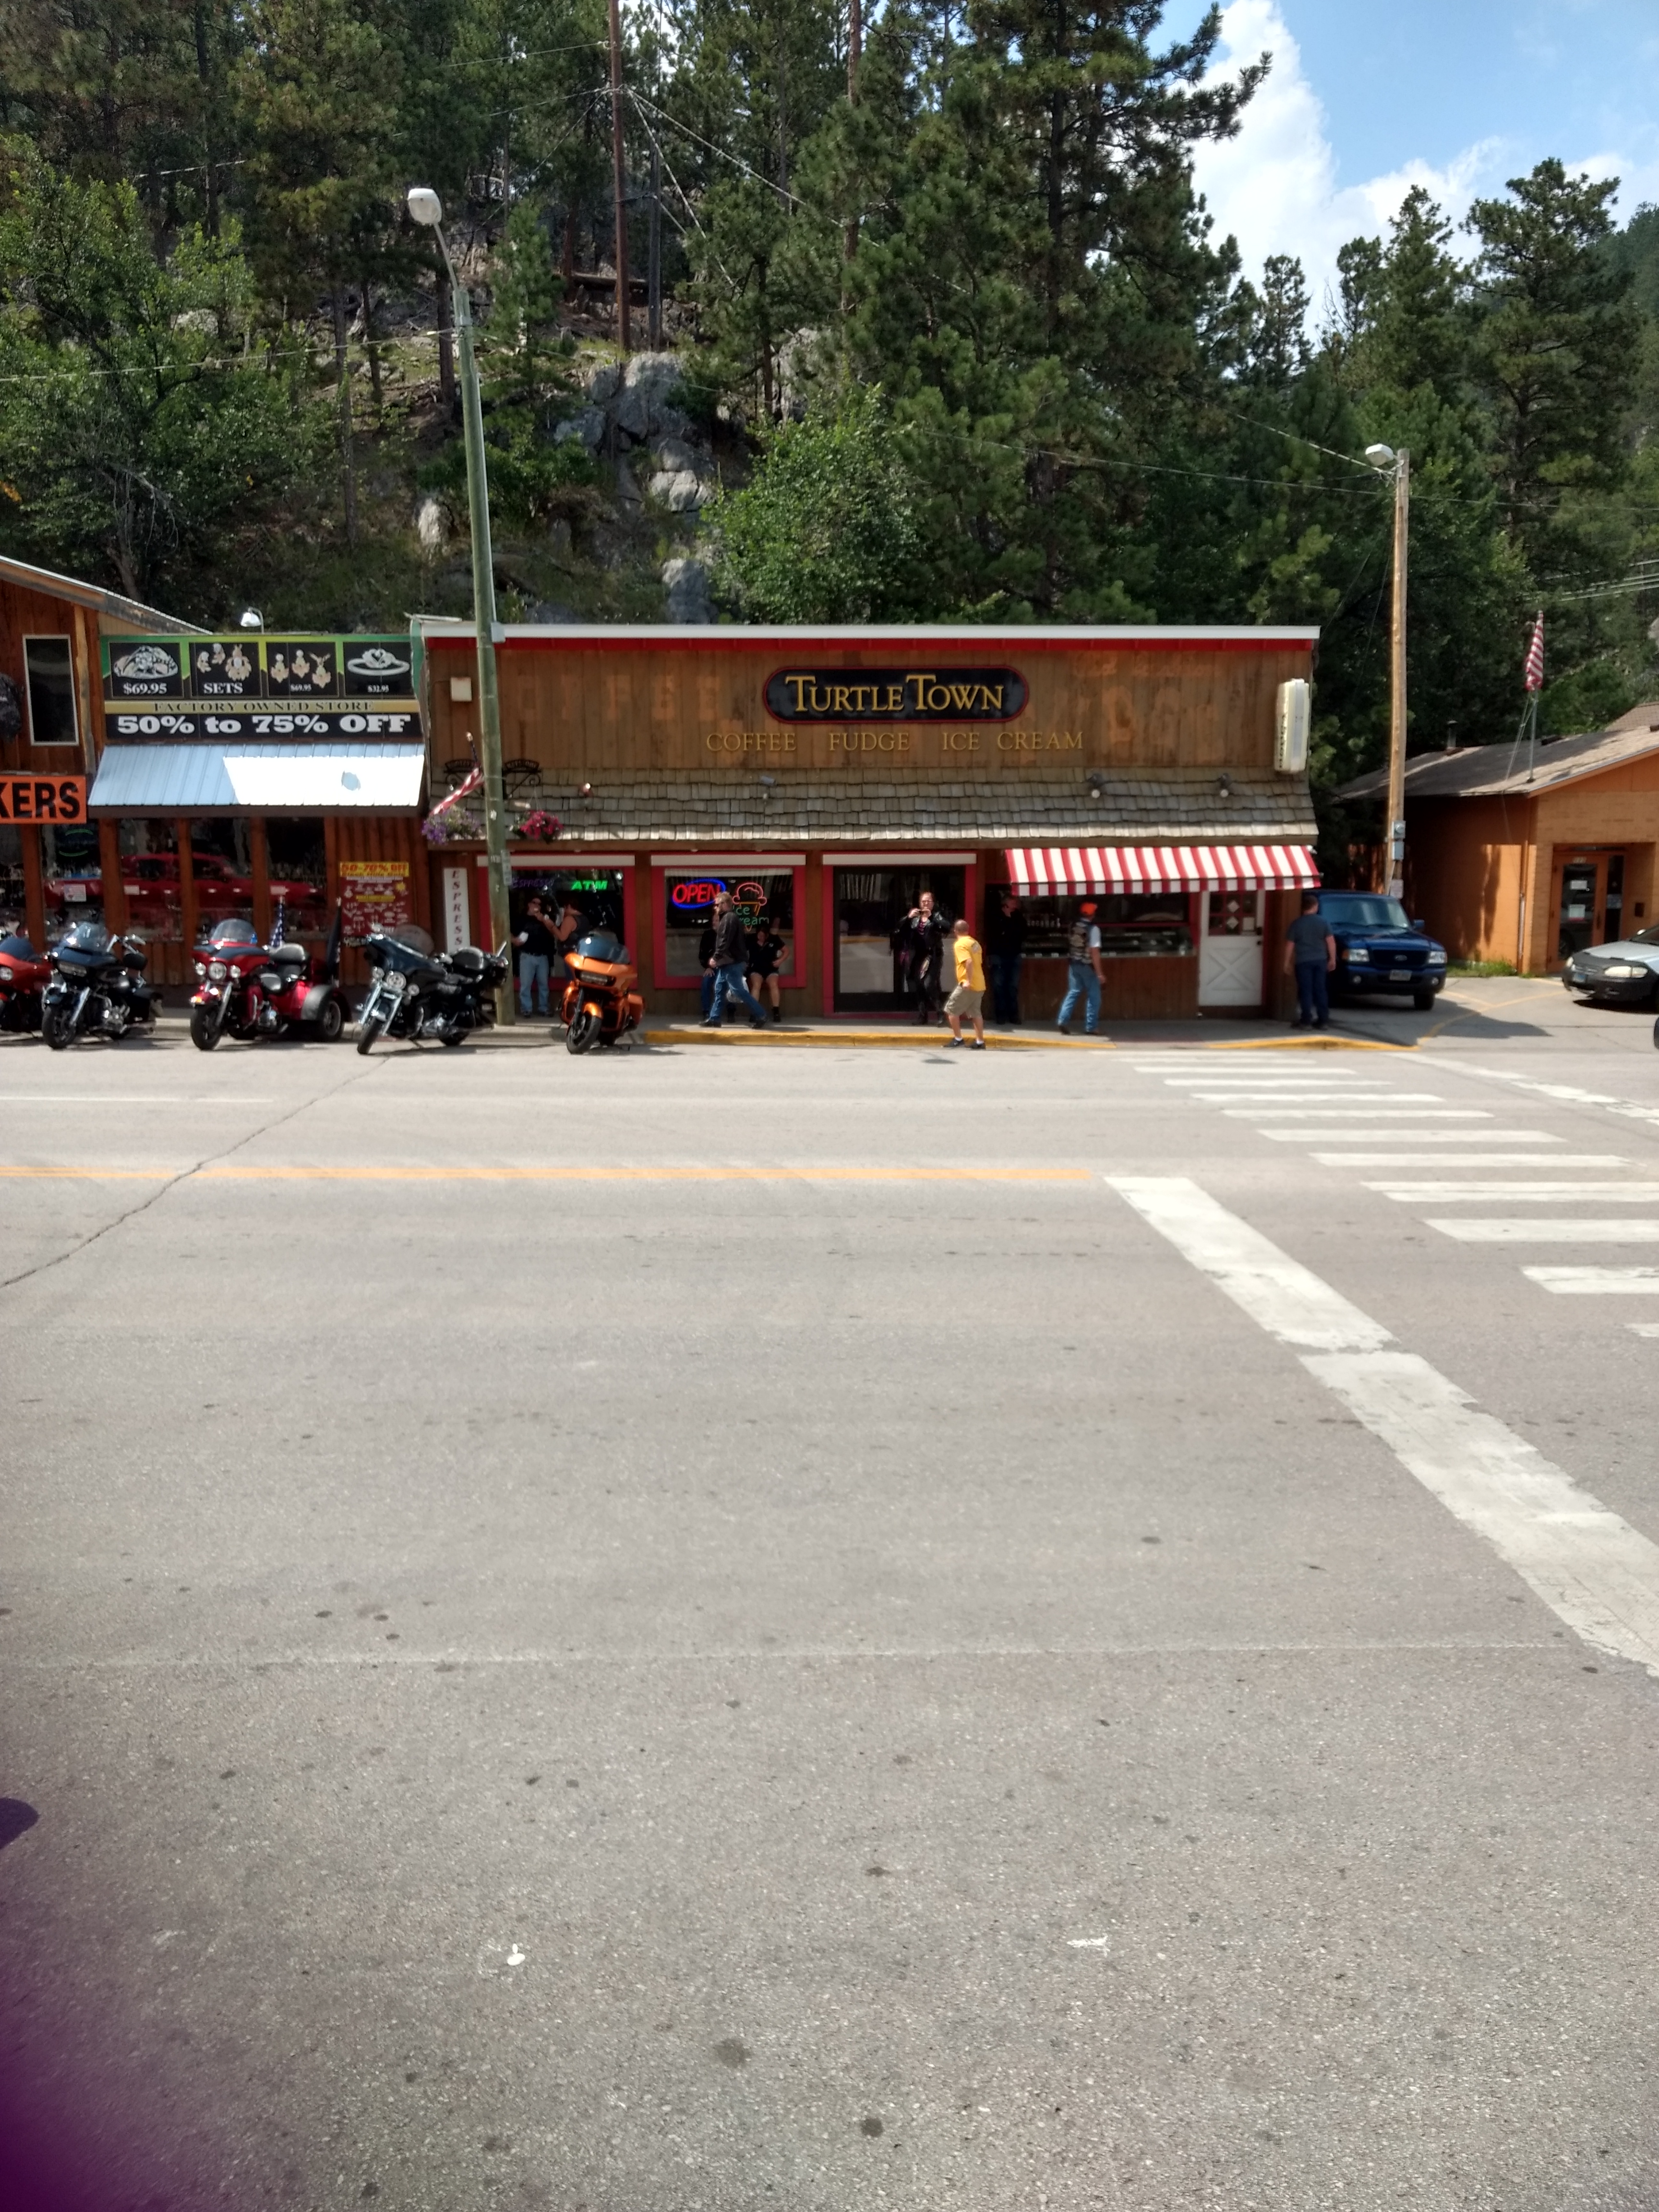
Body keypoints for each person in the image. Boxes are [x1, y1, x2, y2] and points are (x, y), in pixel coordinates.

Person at [702, 890, 769, 1030]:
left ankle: (761, 1015)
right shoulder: (727, 918)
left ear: (725, 904)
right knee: (719, 990)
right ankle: (715, 1018)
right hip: (727, 963)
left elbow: (725, 940)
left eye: (717, 905)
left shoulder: (729, 918)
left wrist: (716, 957)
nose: (715, 907)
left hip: (733, 962)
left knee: (738, 991)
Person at [892, 890, 947, 1024]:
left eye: (929, 901)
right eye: (923, 901)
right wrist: (908, 918)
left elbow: (946, 928)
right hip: (917, 955)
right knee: (918, 985)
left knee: (929, 984)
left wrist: (932, 918)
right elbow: (898, 930)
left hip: (932, 955)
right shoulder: (915, 918)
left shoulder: (937, 916)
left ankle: (940, 1012)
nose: (926, 904)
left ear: (933, 903)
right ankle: (923, 1016)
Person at [1283, 890, 1336, 1029]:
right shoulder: (1324, 922)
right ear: (1315, 906)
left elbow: (1290, 945)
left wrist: (1286, 962)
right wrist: (1332, 959)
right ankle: (1323, 1021)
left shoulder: (1297, 924)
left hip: (1303, 961)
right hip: (1320, 960)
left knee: (1306, 990)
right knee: (1320, 990)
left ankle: (1306, 1021)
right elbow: (1331, 942)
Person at [1057, 899, 1105, 1036]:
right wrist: (1100, 974)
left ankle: (1062, 1020)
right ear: (1092, 914)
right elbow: (1094, 952)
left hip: (1074, 963)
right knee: (1094, 997)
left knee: (1073, 992)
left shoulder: (1073, 925)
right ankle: (1091, 1027)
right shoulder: (1093, 929)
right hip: (1087, 966)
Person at [945, 915, 987, 1049]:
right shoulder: (974, 943)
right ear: (967, 930)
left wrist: (968, 981)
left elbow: (968, 962)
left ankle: (958, 1039)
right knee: (975, 1013)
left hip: (968, 984)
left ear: (955, 931)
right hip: (979, 983)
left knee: (951, 1009)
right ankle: (980, 1041)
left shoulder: (960, 944)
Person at [985, 890, 1026, 1026]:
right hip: (998, 955)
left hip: (1015, 955)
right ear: (1006, 903)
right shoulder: (995, 916)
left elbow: (1022, 933)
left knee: (1013, 987)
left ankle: (1014, 1016)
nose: (1015, 905)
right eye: (1013, 902)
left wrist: (1010, 923)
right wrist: (1007, 921)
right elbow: (995, 934)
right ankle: (1000, 1016)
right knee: (999, 987)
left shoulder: (1018, 916)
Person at [514, 895, 558, 1016]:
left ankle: (543, 1008)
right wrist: (515, 941)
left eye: (539, 904)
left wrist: (543, 919)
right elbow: (510, 932)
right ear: (529, 904)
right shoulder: (521, 919)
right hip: (527, 955)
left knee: (544, 984)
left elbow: (553, 932)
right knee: (526, 985)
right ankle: (526, 1009)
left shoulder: (545, 918)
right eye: (535, 903)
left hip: (543, 956)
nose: (537, 906)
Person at [747, 916, 786, 1024]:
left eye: (764, 936)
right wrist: (745, 963)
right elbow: (741, 951)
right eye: (759, 936)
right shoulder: (751, 939)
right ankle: (754, 1012)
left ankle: (776, 1012)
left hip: (771, 968)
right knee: (756, 985)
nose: (761, 938)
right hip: (756, 968)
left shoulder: (774, 939)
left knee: (773, 984)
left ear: (767, 935)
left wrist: (780, 961)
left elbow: (786, 951)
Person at [697, 913, 719, 1021]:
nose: (714, 923)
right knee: (706, 982)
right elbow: (702, 955)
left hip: (726, 967)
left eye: (717, 920)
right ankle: (706, 1011)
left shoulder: (728, 935)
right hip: (712, 968)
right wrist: (707, 967)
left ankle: (731, 1011)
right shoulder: (707, 935)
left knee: (730, 983)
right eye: (713, 920)